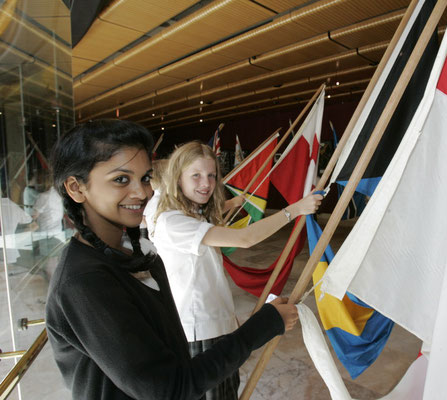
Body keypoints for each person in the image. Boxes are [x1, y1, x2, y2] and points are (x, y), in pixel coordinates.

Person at [45, 119, 299, 400]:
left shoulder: (133, 253)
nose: (141, 192)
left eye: (144, 178)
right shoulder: (85, 282)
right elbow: (168, 389)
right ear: (76, 188)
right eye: (120, 179)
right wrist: (264, 324)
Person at [151, 141, 322, 400]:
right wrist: (293, 210)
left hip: (216, 321)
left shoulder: (191, 213)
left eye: (211, 175)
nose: (206, 183)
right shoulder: (172, 221)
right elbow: (245, 239)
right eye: (196, 175)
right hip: (200, 329)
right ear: (177, 177)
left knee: (228, 390)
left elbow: (214, 213)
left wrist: (239, 200)